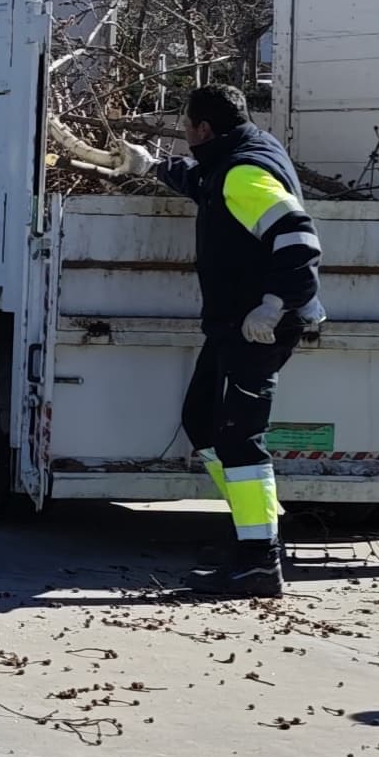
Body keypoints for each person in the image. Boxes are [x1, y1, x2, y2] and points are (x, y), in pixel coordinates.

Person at [154, 82, 324, 599]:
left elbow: (298, 235)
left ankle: (258, 561)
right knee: (202, 421)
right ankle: (255, 537)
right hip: (236, 324)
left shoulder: (244, 172)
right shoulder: (241, 155)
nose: (185, 136)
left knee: (238, 437)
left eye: (186, 128)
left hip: (261, 324)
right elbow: (209, 184)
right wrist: (153, 167)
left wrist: (276, 302)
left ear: (204, 128)